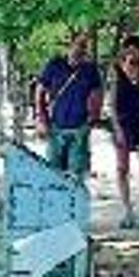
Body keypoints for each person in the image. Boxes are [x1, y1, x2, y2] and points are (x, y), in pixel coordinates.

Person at [35, 30, 103, 179]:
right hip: (56, 127)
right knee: (53, 175)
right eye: (78, 44)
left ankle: (74, 202)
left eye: (84, 46)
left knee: (76, 176)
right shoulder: (54, 65)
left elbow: (97, 94)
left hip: (79, 129)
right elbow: (40, 91)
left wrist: (93, 117)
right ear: (70, 45)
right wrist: (41, 118)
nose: (81, 49)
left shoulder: (90, 70)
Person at [110, 35, 139, 229]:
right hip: (123, 127)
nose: (132, 63)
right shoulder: (117, 80)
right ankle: (128, 211)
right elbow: (112, 108)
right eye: (128, 59)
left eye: (136, 60)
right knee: (122, 171)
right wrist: (118, 130)